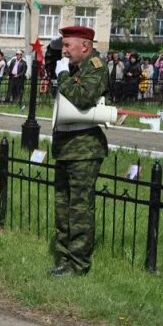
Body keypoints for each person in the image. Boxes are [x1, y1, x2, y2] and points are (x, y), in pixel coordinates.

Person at [49, 26, 109, 277]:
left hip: (84, 149)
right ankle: (63, 260)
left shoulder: (96, 68)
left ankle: (79, 265)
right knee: (63, 208)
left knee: (80, 210)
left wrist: (62, 76)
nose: (63, 51)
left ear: (85, 46)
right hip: (66, 147)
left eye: (67, 46)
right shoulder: (75, 68)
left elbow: (82, 98)